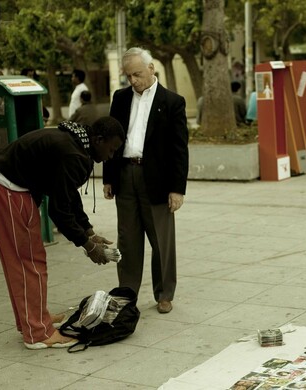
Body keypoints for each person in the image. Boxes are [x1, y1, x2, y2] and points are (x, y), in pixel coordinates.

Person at [0, 117, 124, 350]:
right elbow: (59, 210)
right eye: (111, 149)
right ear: (98, 140)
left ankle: (34, 319)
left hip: (5, 186)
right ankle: (37, 333)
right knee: (28, 263)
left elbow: (67, 194)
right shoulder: (74, 154)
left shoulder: (77, 142)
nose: (111, 156)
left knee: (27, 261)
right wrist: (87, 245)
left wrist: (88, 231)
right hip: (6, 189)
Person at [103, 47, 189, 314]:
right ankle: (127, 292)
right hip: (125, 174)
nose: (133, 80)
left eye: (137, 74)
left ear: (151, 69)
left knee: (161, 240)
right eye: (129, 76)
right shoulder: (120, 98)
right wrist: (108, 177)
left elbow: (179, 149)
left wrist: (177, 189)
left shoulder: (172, 101)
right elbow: (109, 138)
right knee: (127, 239)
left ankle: (164, 293)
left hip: (157, 179)